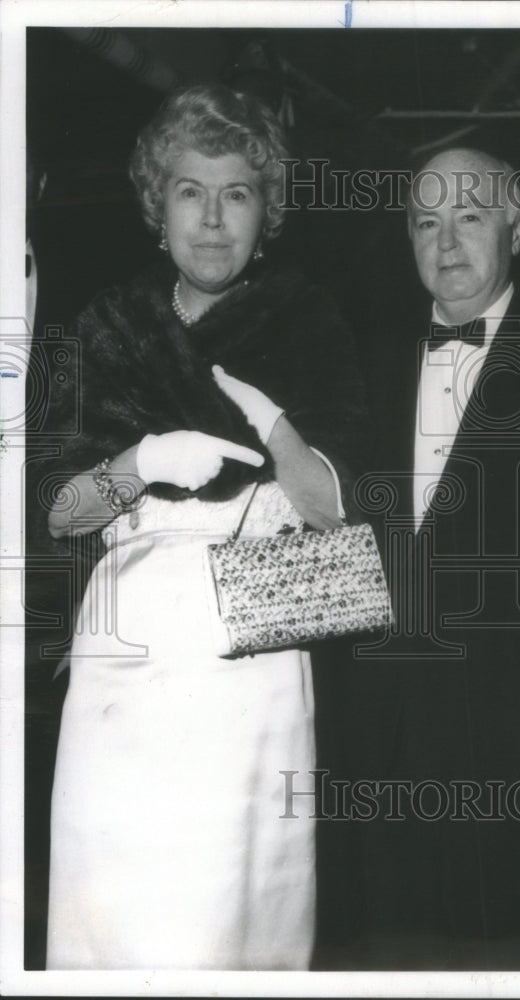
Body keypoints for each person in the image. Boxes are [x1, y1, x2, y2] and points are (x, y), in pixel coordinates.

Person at [44, 83, 368, 970]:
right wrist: (139, 463)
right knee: (111, 904)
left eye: (238, 193)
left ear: (266, 214)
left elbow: (337, 511)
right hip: (127, 651)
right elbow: (59, 509)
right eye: (192, 190)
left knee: (222, 912)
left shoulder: (310, 320)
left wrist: (272, 426)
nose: (214, 218)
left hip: (250, 646)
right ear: (159, 207)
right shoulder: (109, 323)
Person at [315, 147, 520, 970]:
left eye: (470, 216)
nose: (447, 242)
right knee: (381, 939)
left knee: (504, 938)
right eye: (426, 222)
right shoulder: (371, 357)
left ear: (518, 228)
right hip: (376, 705)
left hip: (508, 702)